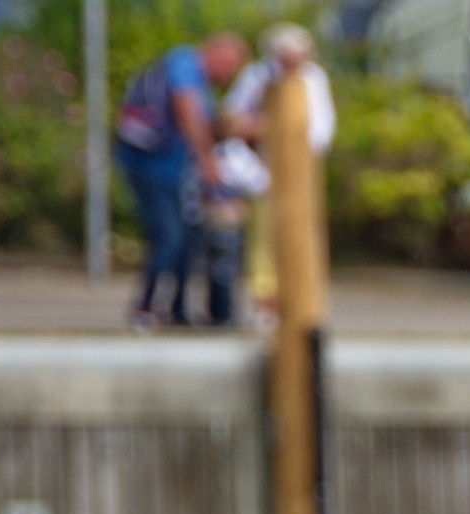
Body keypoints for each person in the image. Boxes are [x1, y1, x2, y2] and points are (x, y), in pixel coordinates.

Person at [115, 33, 250, 328]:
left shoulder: (204, 84)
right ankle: (146, 307)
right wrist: (208, 165)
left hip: (177, 173)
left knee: (189, 240)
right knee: (170, 237)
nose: (228, 75)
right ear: (216, 53)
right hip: (150, 167)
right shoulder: (184, 63)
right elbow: (187, 114)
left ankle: (177, 311)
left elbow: (213, 125)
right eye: (228, 66)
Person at [224, 22, 336, 328]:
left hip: (301, 173)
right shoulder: (258, 76)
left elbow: (322, 127)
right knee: (265, 241)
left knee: (302, 236)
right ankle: (265, 305)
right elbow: (233, 116)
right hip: (264, 170)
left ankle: (302, 301)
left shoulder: (314, 78)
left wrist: (297, 146)